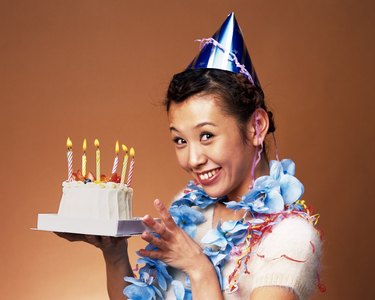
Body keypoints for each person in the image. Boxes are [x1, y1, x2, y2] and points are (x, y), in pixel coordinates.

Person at [57, 13, 322, 300]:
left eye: (207, 135)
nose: (192, 158)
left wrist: (198, 268)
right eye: (180, 140)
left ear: (257, 126)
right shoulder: (190, 212)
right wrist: (114, 254)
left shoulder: (289, 236)